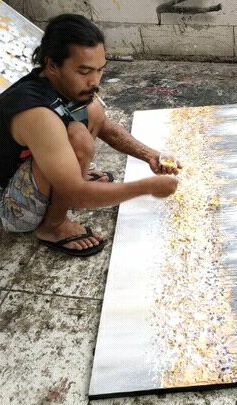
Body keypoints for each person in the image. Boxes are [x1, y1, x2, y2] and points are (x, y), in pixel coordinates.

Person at [0, 14, 181, 257]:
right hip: (9, 206)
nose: (95, 81)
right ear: (52, 65)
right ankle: (53, 226)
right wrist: (146, 187)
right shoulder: (37, 114)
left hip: (31, 166)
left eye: (100, 70)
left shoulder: (62, 84)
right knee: (79, 137)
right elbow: (76, 194)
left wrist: (150, 155)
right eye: (84, 71)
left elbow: (104, 126)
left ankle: (66, 177)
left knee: (93, 110)